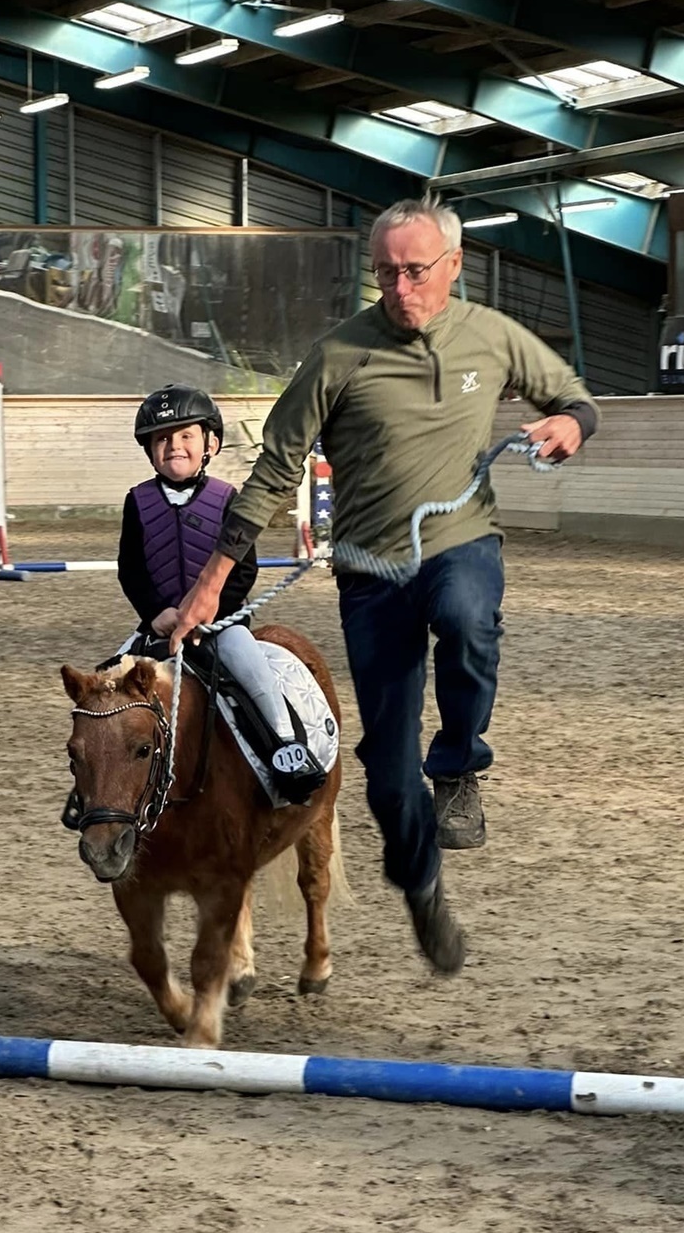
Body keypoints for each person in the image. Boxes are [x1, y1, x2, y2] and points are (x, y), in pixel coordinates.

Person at [169, 198, 598, 974]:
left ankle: (459, 765)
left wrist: (571, 423)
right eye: (385, 273)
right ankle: (422, 886)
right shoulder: (338, 355)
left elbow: (575, 399)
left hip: (460, 541)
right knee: (390, 775)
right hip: (371, 573)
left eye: (415, 271)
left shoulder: (493, 336)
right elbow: (274, 470)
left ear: (454, 266)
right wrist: (211, 584)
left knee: (467, 616)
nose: (400, 288)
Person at [117, 383, 326, 804]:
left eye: (185, 435)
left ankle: (287, 750)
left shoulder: (228, 498)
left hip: (221, 626)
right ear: (150, 450)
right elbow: (131, 570)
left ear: (210, 444)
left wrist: (211, 615)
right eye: (162, 439)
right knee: (107, 688)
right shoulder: (137, 502)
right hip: (160, 626)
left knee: (256, 676)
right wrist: (156, 612)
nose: (174, 446)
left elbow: (243, 569)